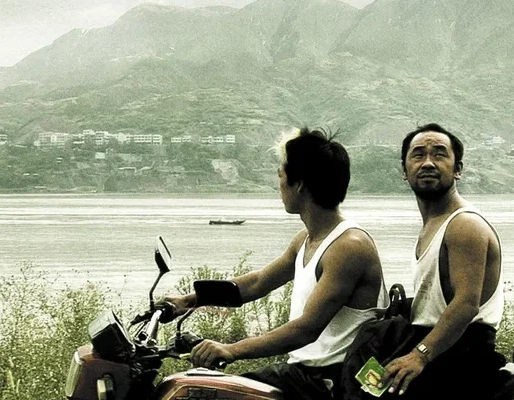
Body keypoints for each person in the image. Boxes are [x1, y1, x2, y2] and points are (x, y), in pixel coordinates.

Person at [164, 127, 388, 400]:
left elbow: (306, 329)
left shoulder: (348, 247)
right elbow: (258, 282)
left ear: (300, 184)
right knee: (202, 390)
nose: (278, 185)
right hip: (302, 375)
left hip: (330, 383)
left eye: (280, 175)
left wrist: (231, 349)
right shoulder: (306, 239)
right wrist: (189, 301)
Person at [379, 123, 506, 398]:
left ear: (457, 169)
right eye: (418, 155)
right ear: (404, 171)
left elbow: (466, 304)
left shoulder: (464, 224)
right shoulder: (433, 225)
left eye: (439, 154)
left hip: (461, 360)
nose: (428, 163)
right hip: (439, 350)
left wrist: (419, 355)